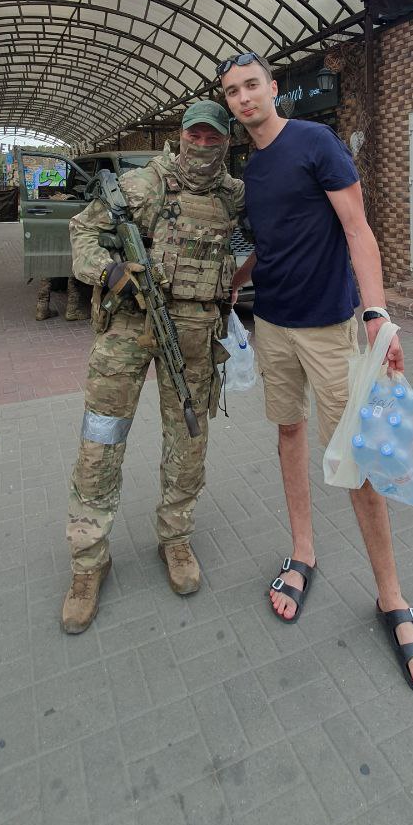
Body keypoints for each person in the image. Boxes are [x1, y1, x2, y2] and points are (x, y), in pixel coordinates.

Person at [220, 52, 413, 692]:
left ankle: (392, 597)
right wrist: (235, 281)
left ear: (273, 88)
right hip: (273, 326)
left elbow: (358, 230)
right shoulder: (253, 167)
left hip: (328, 326)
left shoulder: (316, 142)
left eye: (251, 85)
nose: (243, 98)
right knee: (288, 431)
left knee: (356, 455)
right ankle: (303, 552)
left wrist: (377, 314)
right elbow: (273, 242)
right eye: (232, 91)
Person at [61, 101, 244, 633]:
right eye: (195, 136)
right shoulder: (143, 185)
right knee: (101, 439)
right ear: (180, 136)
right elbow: (82, 231)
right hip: (127, 328)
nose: (202, 146)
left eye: (213, 138)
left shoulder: (233, 195)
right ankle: (88, 560)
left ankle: (176, 539)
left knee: (188, 440)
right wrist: (111, 271)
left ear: (227, 142)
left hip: (194, 333)